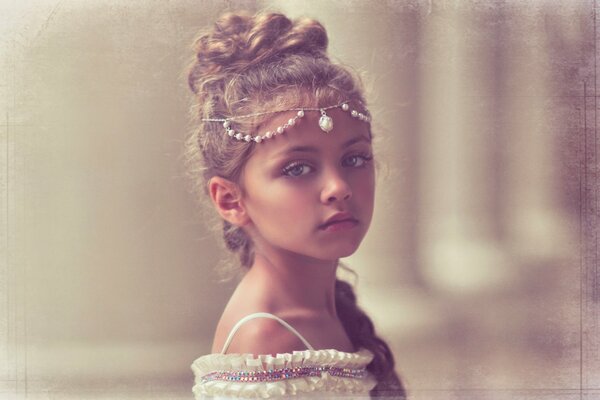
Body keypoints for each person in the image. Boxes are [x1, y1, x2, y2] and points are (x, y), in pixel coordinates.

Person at [185, 10, 406, 399]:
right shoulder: (265, 340)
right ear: (231, 200)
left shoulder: (326, 310)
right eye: (298, 168)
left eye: (354, 159)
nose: (338, 188)